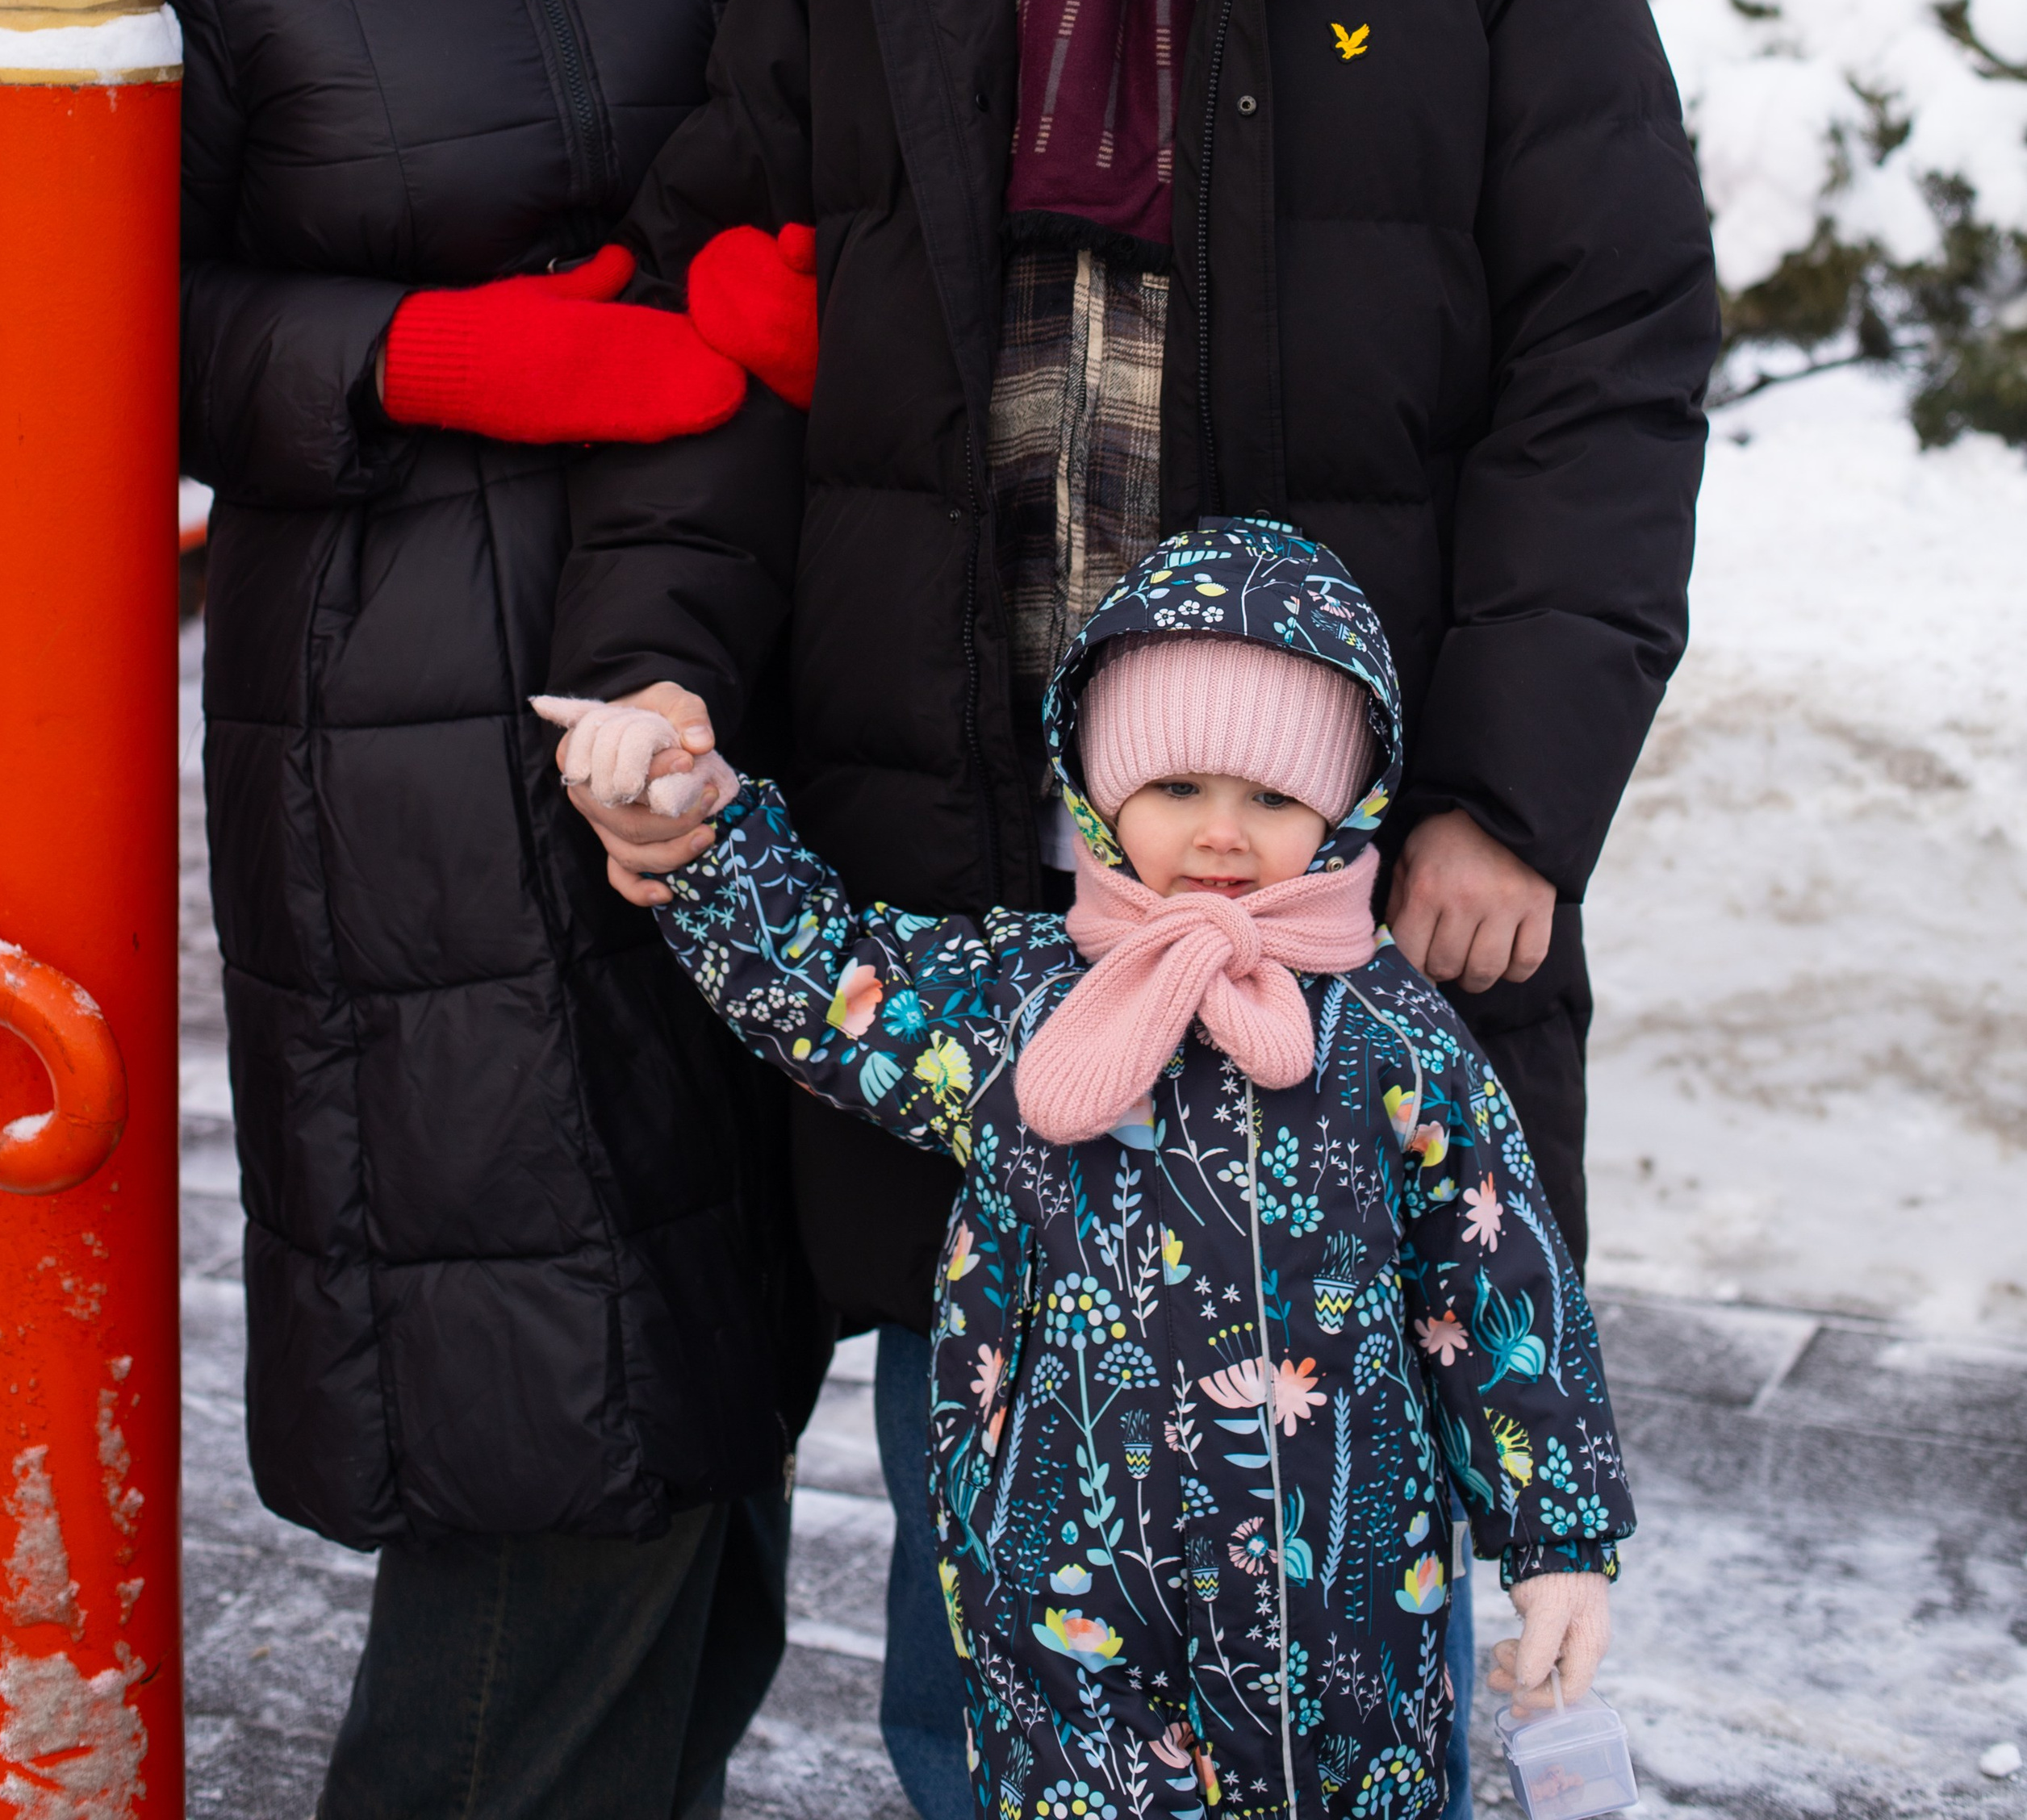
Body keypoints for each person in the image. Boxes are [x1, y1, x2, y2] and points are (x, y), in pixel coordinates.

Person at [536, 0, 1720, 1815]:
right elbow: (721, 334)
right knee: (1001, 1634)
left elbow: (1606, 375)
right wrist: (650, 677)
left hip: (1335, 913)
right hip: (987, 908)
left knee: (1350, 1618)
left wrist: (1506, 789)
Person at [126, 0, 829, 1820]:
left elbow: (786, 185)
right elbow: (87, 329)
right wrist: (422, 355)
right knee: (552, 1428)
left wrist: (774, 289)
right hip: (402, 730)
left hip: (714, 675)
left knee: (715, 1410)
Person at [546, 517, 1635, 1820]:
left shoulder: (1389, 1033)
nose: (1222, 836)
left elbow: (1498, 1285)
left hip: (1349, 1612)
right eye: (1177, 789)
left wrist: (1556, 1542)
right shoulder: (1018, 999)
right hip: (1071, 1603)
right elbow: (829, 986)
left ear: (1345, 808)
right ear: (1099, 791)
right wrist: (708, 823)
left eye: (1273, 798)